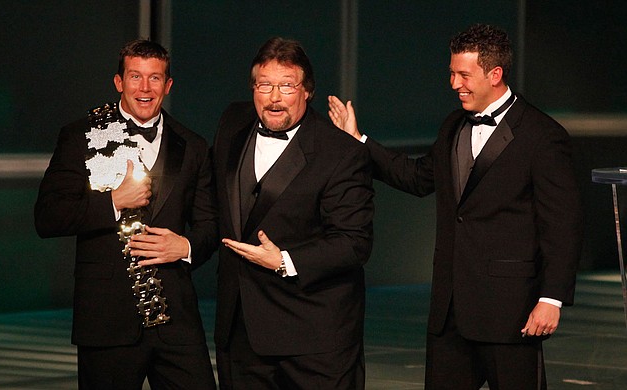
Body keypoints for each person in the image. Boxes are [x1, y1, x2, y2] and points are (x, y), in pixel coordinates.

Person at [328, 24, 582, 389]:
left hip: (512, 313)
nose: (453, 83)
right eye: (451, 73)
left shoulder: (543, 136)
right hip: (449, 315)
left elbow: (562, 225)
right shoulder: (452, 126)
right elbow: (416, 177)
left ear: (495, 74)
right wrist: (358, 141)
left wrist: (551, 298)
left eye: (464, 74)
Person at [35, 39, 218, 389]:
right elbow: (47, 217)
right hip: (106, 319)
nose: (145, 88)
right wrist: (113, 202)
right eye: (135, 77)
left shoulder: (192, 145)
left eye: (154, 78)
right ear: (119, 82)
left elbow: (210, 226)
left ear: (168, 85)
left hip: (175, 319)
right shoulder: (82, 136)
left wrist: (187, 247)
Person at [211, 37, 374, 389]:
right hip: (240, 332)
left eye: (287, 86)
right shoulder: (232, 122)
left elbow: (354, 243)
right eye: (264, 85)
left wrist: (284, 260)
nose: (274, 98)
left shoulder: (340, 152)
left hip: (314, 339)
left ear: (308, 91)